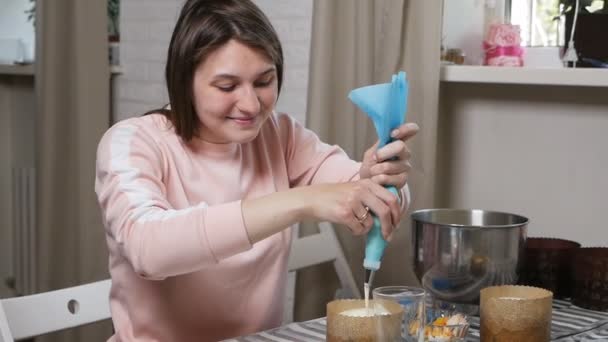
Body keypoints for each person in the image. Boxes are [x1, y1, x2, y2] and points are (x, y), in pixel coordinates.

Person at [95, 0, 419, 341]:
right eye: (227, 86)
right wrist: (301, 202)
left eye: (264, 81)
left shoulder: (279, 135)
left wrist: (381, 178)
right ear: (184, 80)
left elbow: (371, 193)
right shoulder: (133, 142)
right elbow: (148, 249)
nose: (251, 105)